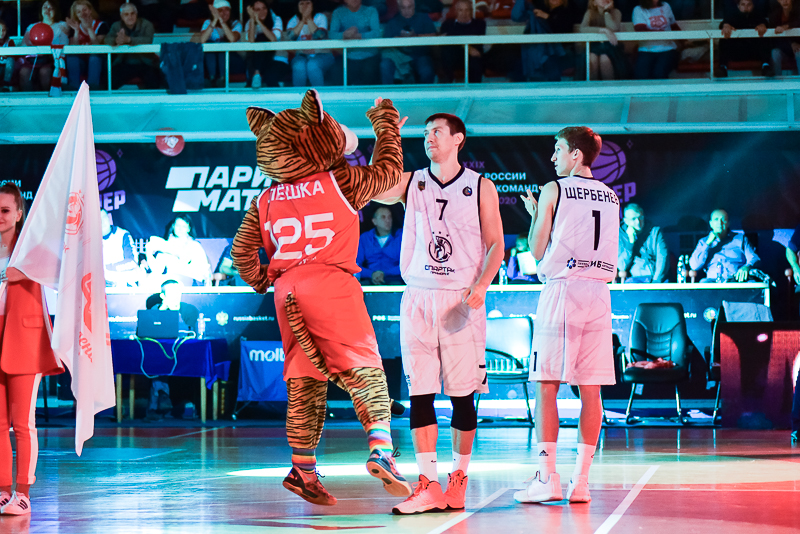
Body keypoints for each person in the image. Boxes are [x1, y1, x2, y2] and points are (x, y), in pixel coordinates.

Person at [232, 92, 411, 506]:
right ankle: (382, 449)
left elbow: (242, 252)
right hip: (331, 283)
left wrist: (263, 281)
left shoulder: (264, 199)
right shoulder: (339, 182)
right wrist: (385, 124)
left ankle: (303, 468)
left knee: (305, 380)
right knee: (364, 369)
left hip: (287, 288)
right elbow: (388, 172)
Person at [373, 113, 505, 514]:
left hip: (460, 298)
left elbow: (496, 244)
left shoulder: (480, 186)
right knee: (420, 394)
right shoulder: (411, 181)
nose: (429, 138)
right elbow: (374, 184)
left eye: (437, 132)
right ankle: (428, 483)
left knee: (462, 396)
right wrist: (385, 133)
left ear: (458, 138)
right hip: (418, 297)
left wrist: (482, 285)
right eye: (425, 132)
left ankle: (458, 478)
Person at [515, 126, 618, 505]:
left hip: (563, 289)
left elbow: (536, 248)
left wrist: (536, 216)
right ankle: (581, 482)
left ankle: (547, 477)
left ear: (576, 154)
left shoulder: (553, 189)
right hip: (599, 293)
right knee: (591, 390)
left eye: (558, 149)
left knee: (546, 384)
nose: (553, 157)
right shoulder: (611, 195)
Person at [0, 183, 64, 515]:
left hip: (24, 341)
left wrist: (24, 268)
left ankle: (22, 492)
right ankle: (1, 490)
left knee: (23, 424)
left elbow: (59, 271)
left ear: (18, 214)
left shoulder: (32, 247)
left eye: (5, 210)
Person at [144, 279, 200, 420]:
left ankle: (162, 403)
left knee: (164, 364)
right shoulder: (155, 309)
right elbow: (146, 331)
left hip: (185, 353)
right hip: (161, 353)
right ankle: (159, 403)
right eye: (172, 292)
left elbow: (190, 333)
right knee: (157, 363)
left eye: (178, 292)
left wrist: (175, 313)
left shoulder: (189, 309)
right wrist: (163, 310)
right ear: (163, 295)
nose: (176, 295)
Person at [512, 0, 578, 82]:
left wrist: (547, 17)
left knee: (547, 61)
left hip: (562, 52)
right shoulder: (539, 8)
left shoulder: (570, 8)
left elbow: (564, 29)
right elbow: (516, 16)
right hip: (540, 51)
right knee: (521, 61)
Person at [688, 209, 760, 282]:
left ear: (728, 223)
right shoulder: (703, 242)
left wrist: (747, 267)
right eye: (716, 219)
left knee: (753, 283)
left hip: (736, 280)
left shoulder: (741, 239)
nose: (720, 223)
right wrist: (707, 244)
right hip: (713, 281)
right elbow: (694, 266)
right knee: (703, 282)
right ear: (711, 224)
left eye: (723, 220)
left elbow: (754, 258)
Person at [380, 0, 436, 85]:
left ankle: (425, 93)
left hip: (420, 55)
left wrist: (416, 36)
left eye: (409, 7)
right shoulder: (392, 22)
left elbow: (433, 36)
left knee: (426, 71)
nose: (407, 10)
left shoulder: (424, 18)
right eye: (403, 8)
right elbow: (385, 43)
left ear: (414, 6)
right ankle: (388, 93)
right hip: (399, 57)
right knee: (385, 65)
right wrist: (400, 39)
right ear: (399, 8)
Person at [146, 215, 211, 287]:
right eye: (178, 226)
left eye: (184, 226)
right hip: (169, 281)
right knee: (151, 279)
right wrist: (149, 252)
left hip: (191, 281)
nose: (180, 229)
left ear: (189, 229)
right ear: (173, 226)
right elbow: (157, 269)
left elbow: (201, 270)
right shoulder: (165, 245)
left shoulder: (195, 246)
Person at [104, 2, 158, 90]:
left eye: (132, 13)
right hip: (124, 63)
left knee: (154, 81)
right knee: (109, 80)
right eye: (126, 14)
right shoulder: (116, 26)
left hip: (145, 63)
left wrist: (128, 39)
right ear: (121, 16)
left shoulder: (147, 24)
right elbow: (107, 40)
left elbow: (148, 40)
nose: (130, 17)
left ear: (136, 14)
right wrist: (116, 40)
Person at [19, 0, 70, 92]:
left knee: (44, 72)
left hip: (52, 59)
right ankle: (29, 98)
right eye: (45, 7)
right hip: (33, 59)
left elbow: (64, 44)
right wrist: (31, 45)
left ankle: (47, 97)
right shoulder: (32, 27)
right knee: (24, 72)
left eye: (51, 8)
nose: (48, 10)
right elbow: (24, 45)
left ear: (56, 11)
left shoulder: (62, 25)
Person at [329, 0, 382, 85]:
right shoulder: (338, 12)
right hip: (347, 56)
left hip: (369, 56)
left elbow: (377, 33)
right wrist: (344, 35)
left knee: (370, 70)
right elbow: (332, 34)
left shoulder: (371, 11)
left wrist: (359, 36)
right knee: (336, 71)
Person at [284, 0, 334, 87]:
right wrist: (303, 20)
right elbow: (290, 38)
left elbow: (320, 36)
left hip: (322, 54)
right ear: (298, 6)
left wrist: (308, 19)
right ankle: (299, 94)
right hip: (301, 55)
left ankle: (319, 94)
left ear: (313, 5)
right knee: (298, 65)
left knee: (312, 65)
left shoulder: (320, 17)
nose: (305, 6)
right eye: (301, 4)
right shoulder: (293, 20)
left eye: (308, 3)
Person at [195, 0, 243, 87]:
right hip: (212, 62)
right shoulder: (208, 22)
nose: (224, 13)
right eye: (220, 10)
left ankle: (222, 79)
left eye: (227, 10)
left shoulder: (236, 23)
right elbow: (202, 40)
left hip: (231, 62)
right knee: (209, 43)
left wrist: (221, 21)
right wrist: (214, 20)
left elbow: (232, 38)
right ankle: (212, 78)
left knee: (223, 44)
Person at [617, 203, 669, 283]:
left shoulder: (655, 231)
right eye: (633, 219)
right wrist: (630, 243)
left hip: (655, 279)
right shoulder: (620, 234)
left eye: (640, 217)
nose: (638, 222)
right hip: (633, 280)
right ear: (626, 221)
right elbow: (622, 266)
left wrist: (656, 282)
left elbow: (662, 258)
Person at [717, 0, 769, 78]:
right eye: (743, 5)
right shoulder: (732, 17)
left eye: (749, 5)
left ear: (753, 6)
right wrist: (725, 25)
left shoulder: (757, 17)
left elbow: (765, 23)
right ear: (738, 6)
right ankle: (722, 67)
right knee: (724, 39)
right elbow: (723, 24)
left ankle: (766, 66)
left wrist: (763, 25)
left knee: (764, 37)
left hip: (753, 52)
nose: (746, 7)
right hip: (737, 52)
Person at [439, 0, 486, 84]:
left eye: (467, 10)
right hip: (454, 56)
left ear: (471, 11)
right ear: (456, 11)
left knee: (476, 61)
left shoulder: (480, 24)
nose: (464, 13)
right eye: (461, 10)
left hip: (472, 57)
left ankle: (474, 90)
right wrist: (467, 47)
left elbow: (477, 46)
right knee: (445, 56)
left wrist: (452, 36)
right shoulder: (447, 24)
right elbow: (444, 42)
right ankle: (446, 89)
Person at [245, 0, 289, 88]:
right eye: (257, 9)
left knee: (270, 77)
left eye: (264, 8)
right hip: (258, 61)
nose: (262, 12)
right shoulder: (250, 23)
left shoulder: (276, 19)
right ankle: (256, 74)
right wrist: (253, 19)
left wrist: (258, 21)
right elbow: (251, 41)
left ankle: (257, 73)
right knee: (250, 78)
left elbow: (273, 39)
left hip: (277, 59)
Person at [632, 0, 680, 79]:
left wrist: (685, 42)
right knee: (641, 76)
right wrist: (662, 33)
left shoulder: (666, 6)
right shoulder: (638, 10)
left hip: (667, 49)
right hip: (646, 50)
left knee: (659, 74)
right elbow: (641, 30)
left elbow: (674, 26)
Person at [65, 0, 108, 90]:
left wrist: (89, 28)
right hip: (82, 62)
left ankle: (92, 88)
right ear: (76, 15)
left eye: (84, 10)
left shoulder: (101, 25)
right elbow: (73, 50)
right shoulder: (74, 27)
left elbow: (97, 47)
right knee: (72, 58)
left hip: (98, 61)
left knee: (94, 57)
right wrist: (76, 31)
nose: (82, 13)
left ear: (90, 10)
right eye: (78, 12)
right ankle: (74, 88)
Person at [579, 0, 626, 80]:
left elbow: (613, 28)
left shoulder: (616, 12)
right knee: (592, 58)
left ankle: (609, 86)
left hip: (611, 48)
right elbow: (582, 29)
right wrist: (603, 30)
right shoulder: (590, 13)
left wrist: (606, 12)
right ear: (594, 3)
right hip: (593, 47)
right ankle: (592, 86)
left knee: (604, 59)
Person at [356, 206, 403, 285]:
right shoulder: (365, 238)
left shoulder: (401, 236)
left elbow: (407, 265)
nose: (387, 220)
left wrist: (385, 273)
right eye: (383, 217)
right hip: (369, 280)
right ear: (374, 221)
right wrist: (371, 274)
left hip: (394, 280)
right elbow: (356, 265)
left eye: (389, 217)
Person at [101, 209, 140, 287]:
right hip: (100, 285)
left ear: (109, 218)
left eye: (104, 217)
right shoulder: (90, 240)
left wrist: (106, 268)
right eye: (98, 219)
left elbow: (132, 261)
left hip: (122, 286)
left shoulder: (123, 235)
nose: (102, 221)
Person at [767, 0, 800, 76]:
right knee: (775, 53)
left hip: (798, 45)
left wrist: (787, 26)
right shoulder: (774, 15)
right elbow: (776, 40)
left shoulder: (798, 10)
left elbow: (798, 22)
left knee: (799, 53)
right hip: (785, 47)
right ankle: (777, 80)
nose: (785, 1)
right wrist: (791, 44)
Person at [0, 21, 14, 91]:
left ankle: (6, 84)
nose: (1, 33)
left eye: (3, 30)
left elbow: (14, 55)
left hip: (7, 67)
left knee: (10, 60)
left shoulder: (9, 42)